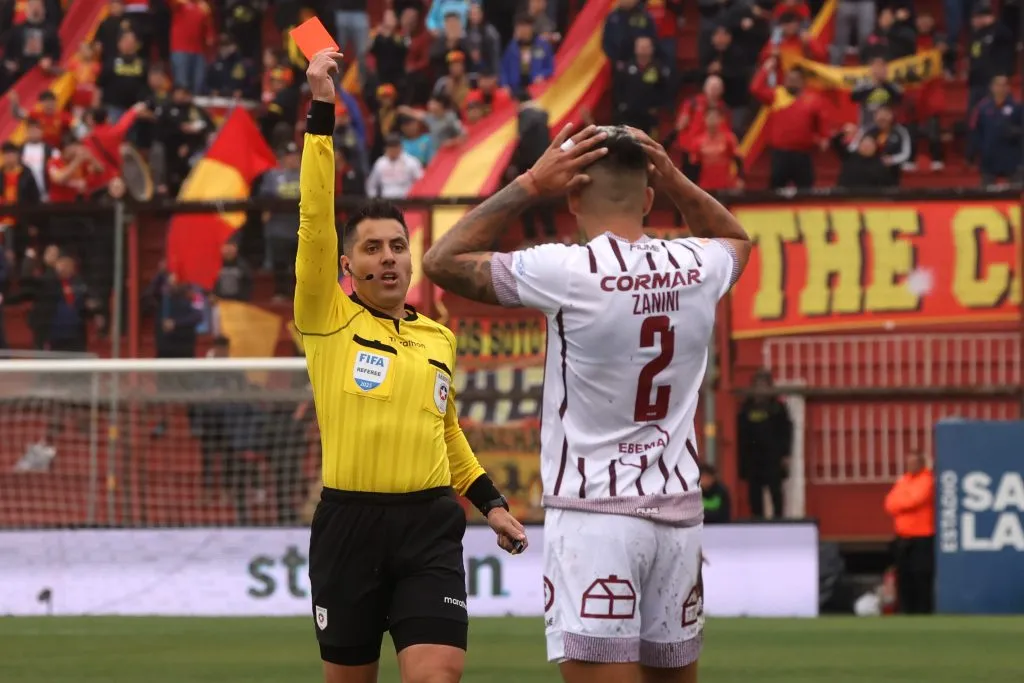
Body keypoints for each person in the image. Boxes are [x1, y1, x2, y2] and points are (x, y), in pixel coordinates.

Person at [422, 123, 752, 683]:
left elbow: (441, 260)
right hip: (678, 515)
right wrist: (677, 180)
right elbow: (737, 240)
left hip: (593, 515)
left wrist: (530, 183)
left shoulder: (566, 270)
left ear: (572, 195)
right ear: (649, 197)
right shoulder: (698, 264)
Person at [297, 50, 527, 683]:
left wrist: (491, 503)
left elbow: (444, 431)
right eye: (372, 248)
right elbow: (314, 219)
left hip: (429, 525)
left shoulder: (438, 338)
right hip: (349, 526)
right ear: (347, 266)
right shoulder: (327, 316)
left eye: (398, 246)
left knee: (437, 675)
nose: (389, 258)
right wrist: (322, 111)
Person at [883, 451, 935, 614]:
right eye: (908, 462)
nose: (910, 466)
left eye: (913, 462)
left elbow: (915, 500)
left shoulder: (927, 480)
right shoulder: (904, 480)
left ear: (921, 464)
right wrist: (902, 502)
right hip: (903, 537)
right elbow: (889, 503)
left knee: (921, 575)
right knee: (903, 576)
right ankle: (906, 610)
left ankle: (923, 610)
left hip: (922, 536)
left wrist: (901, 503)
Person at [737, 369, 792, 519]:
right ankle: (758, 520)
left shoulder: (778, 407)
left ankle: (779, 520)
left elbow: (786, 431)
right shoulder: (746, 407)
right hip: (752, 456)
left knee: (775, 490)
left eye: (764, 385)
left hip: (773, 456)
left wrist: (786, 454)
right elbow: (740, 433)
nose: (761, 389)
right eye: (758, 384)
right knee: (754, 492)